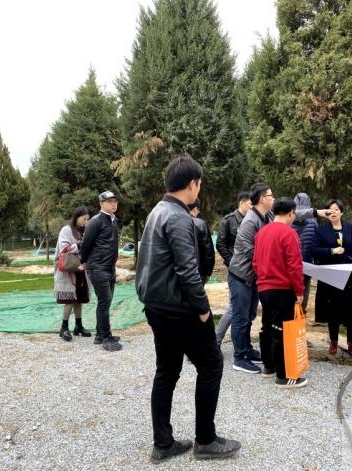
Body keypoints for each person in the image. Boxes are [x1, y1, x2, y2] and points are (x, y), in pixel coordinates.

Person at [136, 155, 241, 463]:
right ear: (193, 183)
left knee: (167, 372)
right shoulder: (179, 217)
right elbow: (187, 270)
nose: (200, 189)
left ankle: (163, 444)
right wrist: (203, 308)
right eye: (200, 184)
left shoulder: (157, 211)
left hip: (156, 307)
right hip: (179, 309)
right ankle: (205, 440)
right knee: (212, 364)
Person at [228, 182, 330, 374]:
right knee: (243, 318)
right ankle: (241, 357)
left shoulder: (267, 218)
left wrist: (316, 212)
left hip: (261, 280)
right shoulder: (251, 222)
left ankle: (260, 358)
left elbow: (291, 214)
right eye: (271, 195)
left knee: (258, 319)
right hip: (243, 275)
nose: (273, 198)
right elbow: (253, 253)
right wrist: (276, 267)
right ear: (262, 199)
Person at [253, 197, 308, 388]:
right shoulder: (289, 233)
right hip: (283, 289)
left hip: (264, 288)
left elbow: (255, 262)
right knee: (281, 330)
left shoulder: (262, 232)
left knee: (267, 326)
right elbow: (295, 265)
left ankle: (268, 366)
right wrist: (299, 290)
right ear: (291, 213)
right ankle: (284, 375)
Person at [312, 199, 352, 357]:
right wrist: (332, 251)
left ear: (341, 212)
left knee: (351, 309)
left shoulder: (351, 229)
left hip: (350, 276)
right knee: (332, 309)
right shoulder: (321, 230)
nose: (333, 212)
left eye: (336, 209)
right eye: (330, 209)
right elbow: (314, 250)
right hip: (330, 275)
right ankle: (333, 341)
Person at [80, 191, 122, 352]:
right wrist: (84, 261)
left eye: (115, 201)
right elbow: (86, 244)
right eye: (110, 201)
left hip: (110, 268)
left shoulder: (114, 220)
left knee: (107, 302)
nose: (114, 204)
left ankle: (99, 334)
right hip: (98, 268)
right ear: (101, 203)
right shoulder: (95, 222)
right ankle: (106, 337)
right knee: (104, 301)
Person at [215, 191, 251, 347]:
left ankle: (243, 344)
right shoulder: (229, 220)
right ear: (242, 203)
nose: (252, 207)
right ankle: (216, 341)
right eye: (250, 204)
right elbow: (220, 244)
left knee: (246, 310)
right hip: (236, 270)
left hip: (250, 271)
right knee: (233, 308)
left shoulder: (253, 220)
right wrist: (232, 262)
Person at [54, 207, 92, 341]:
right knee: (70, 300)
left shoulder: (85, 231)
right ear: (77, 217)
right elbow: (64, 247)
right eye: (84, 219)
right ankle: (64, 328)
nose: (86, 222)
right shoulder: (66, 230)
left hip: (81, 270)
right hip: (69, 270)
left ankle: (78, 326)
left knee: (79, 300)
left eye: (88, 219)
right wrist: (80, 245)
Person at [291, 193, 318, 312]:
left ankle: (302, 314)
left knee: (304, 294)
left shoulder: (313, 224)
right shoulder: (287, 224)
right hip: (291, 268)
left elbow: (316, 245)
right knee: (291, 297)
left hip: (307, 267)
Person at [188, 197, 215, 284]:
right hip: (198, 272)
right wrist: (208, 273)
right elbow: (209, 252)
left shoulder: (175, 221)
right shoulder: (201, 224)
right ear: (195, 209)